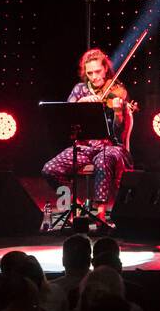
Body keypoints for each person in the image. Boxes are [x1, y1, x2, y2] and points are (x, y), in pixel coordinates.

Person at [41, 48, 135, 222]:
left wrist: (118, 112)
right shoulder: (79, 89)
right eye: (90, 73)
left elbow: (118, 131)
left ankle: (100, 215)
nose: (94, 77)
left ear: (105, 69)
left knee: (103, 160)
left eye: (98, 71)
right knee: (50, 169)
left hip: (110, 147)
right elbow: (67, 114)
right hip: (84, 147)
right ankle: (75, 202)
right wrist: (81, 102)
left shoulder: (117, 90)